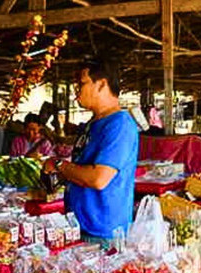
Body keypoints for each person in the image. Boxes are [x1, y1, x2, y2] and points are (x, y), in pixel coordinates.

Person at [44, 57, 138, 248]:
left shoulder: (119, 125)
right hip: (79, 226)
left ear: (101, 85)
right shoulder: (91, 125)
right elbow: (81, 170)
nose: (76, 90)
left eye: (81, 83)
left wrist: (59, 165)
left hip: (102, 233)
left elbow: (98, 178)